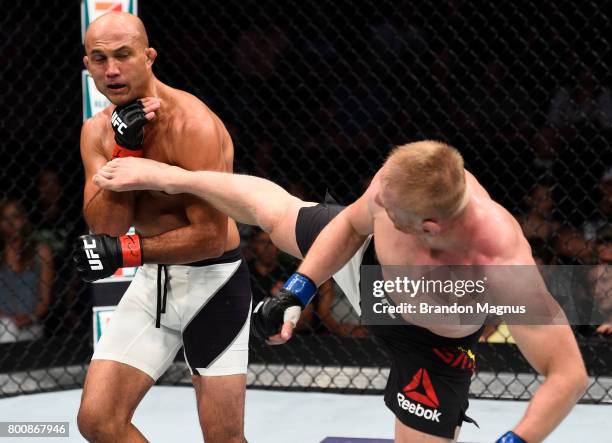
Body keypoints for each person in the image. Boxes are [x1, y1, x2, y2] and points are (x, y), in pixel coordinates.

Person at [94, 140, 588, 443]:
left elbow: (567, 373)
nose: (377, 204)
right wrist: (297, 289)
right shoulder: (399, 183)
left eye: (390, 212)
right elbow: (352, 227)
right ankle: (176, 178)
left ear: (430, 227)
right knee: (276, 212)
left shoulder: (499, 264)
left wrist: (514, 441)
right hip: (368, 266)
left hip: (431, 344)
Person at [72, 12, 251, 443]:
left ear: (148, 57)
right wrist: (125, 150)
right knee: (98, 420)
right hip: (154, 283)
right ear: (87, 65)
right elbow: (107, 228)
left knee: (224, 438)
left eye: (123, 56)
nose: (111, 70)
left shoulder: (192, 125)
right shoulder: (97, 132)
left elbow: (209, 236)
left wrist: (128, 253)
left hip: (214, 285)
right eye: (99, 59)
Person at [0, 199, 53, 343]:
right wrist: (8, 319)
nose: (11, 223)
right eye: (5, 218)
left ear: (23, 220)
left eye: (15, 217)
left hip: (30, 323)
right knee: (7, 327)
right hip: (3, 323)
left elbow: (45, 299)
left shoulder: (40, 252)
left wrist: (30, 317)